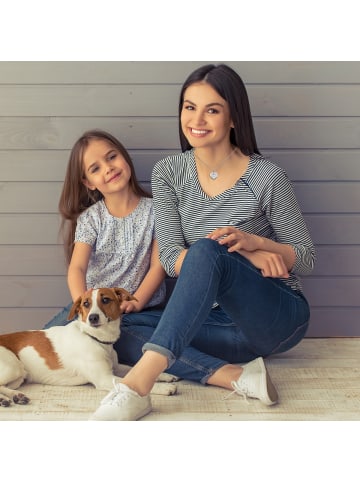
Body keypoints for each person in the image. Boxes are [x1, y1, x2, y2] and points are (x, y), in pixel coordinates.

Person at [89, 63, 316, 421]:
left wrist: (255, 245)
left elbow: (304, 258)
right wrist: (243, 256)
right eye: (189, 107)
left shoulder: (266, 176)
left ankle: (135, 388)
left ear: (233, 118)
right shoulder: (169, 172)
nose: (197, 118)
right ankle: (234, 376)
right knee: (116, 327)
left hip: (277, 316)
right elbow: (171, 256)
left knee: (208, 249)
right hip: (216, 327)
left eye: (212, 109)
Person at [43, 129, 166, 329]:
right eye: (95, 169)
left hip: (140, 311)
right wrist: (84, 308)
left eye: (112, 157)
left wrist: (136, 302)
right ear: (88, 183)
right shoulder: (91, 219)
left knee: (126, 341)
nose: (108, 168)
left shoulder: (156, 210)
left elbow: (158, 266)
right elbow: (77, 268)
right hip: (93, 309)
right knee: (43, 343)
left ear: (124, 157)